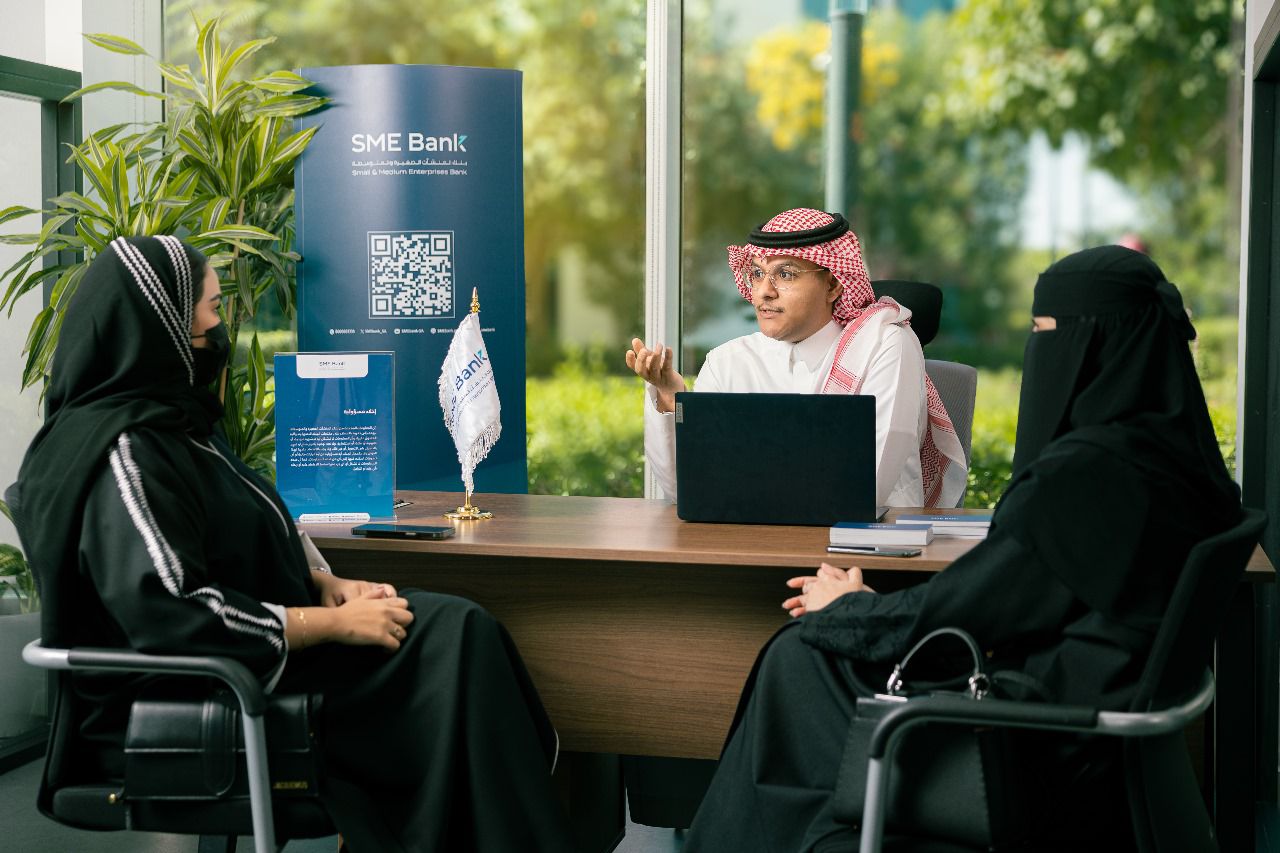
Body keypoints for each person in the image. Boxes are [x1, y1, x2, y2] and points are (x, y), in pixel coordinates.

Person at [9, 236, 576, 853]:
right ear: (165, 325)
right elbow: (172, 610)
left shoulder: (171, 426)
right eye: (212, 309)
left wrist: (322, 585)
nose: (221, 328)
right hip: (207, 691)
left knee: (459, 632)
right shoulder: (124, 453)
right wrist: (329, 625)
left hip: (256, 663)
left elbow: (239, 533)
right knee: (453, 654)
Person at [682, 245, 1243, 852]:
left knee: (798, 653)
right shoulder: (1188, 467)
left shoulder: (1087, 478)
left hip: (1022, 744)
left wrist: (848, 609)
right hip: (1086, 726)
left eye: (1044, 332)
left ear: (1094, 344)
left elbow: (965, 615)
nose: (1036, 351)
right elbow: (1016, 600)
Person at [627, 208, 966, 508]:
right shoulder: (727, 361)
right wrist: (670, 397)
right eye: (757, 273)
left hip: (864, 545)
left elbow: (866, 488)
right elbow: (687, 490)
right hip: (744, 544)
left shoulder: (884, 345)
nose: (764, 291)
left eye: (785, 274)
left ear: (833, 285)